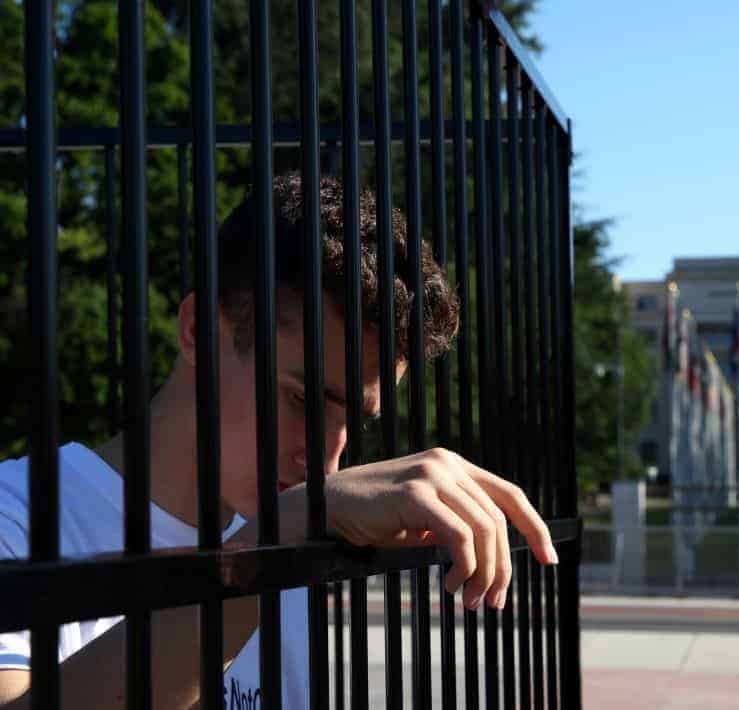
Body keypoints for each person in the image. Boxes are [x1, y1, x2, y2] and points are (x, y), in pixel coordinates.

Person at [0, 172, 558, 708]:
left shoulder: (291, 539)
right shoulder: (17, 516)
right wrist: (271, 539)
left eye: (354, 418)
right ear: (199, 331)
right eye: (303, 399)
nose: (326, 456)